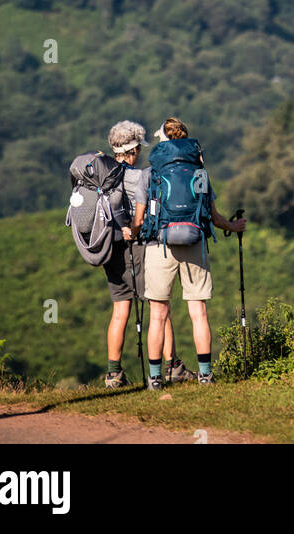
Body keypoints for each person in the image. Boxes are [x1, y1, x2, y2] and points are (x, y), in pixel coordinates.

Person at [144, 116, 245, 389]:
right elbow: (212, 216)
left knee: (158, 314)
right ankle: (205, 374)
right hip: (194, 242)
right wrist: (234, 227)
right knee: (198, 311)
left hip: (159, 245)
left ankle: (154, 378)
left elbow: (143, 215)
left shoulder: (152, 172)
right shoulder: (200, 172)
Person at [104, 120, 195, 388]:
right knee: (159, 305)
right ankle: (172, 366)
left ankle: (113, 373)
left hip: (112, 247)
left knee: (120, 310)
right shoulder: (141, 176)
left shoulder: (104, 177)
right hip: (140, 246)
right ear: (132, 151)